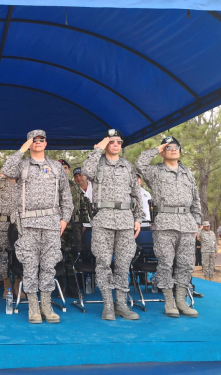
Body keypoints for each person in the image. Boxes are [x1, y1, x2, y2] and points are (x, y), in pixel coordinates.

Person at [2, 130, 73, 324]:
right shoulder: (22, 166)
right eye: (34, 140)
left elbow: (66, 197)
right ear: (29, 143)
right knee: (30, 266)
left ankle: (47, 305)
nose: (38, 142)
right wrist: (22, 149)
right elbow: (7, 170)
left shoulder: (56, 168)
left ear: (46, 143)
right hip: (28, 225)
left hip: (51, 224)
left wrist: (65, 219)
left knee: (49, 266)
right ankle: (33, 306)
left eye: (41, 139)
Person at [136, 136, 201, 318]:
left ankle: (181, 300)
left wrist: (196, 221)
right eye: (169, 147)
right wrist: (157, 148)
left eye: (176, 147)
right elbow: (140, 163)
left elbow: (195, 199)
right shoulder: (156, 171)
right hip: (165, 222)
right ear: (163, 151)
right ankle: (169, 301)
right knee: (165, 263)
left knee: (186, 264)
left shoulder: (187, 172)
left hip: (187, 222)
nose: (173, 149)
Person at [82, 129, 143, 321]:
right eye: (111, 142)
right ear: (106, 144)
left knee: (123, 264)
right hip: (103, 219)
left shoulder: (127, 166)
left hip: (125, 220)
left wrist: (138, 218)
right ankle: (108, 305)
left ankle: (121, 305)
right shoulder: (97, 163)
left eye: (119, 142)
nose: (116, 145)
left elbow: (136, 194)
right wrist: (97, 149)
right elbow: (85, 171)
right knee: (103, 263)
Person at [57, 160, 86, 299]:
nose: (63, 170)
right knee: (59, 257)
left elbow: (82, 206)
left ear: (68, 170)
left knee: (73, 257)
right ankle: (60, 288)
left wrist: (84, 224)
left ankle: (73, 288)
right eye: (60, 168)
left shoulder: (75, 186)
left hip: (74, 227)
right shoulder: (52, 186)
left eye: (65, 168)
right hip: (59, 228)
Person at [0, 173, 24, 299]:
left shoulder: (23, 181)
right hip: (3, 223)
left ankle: (18, 284)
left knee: (21, 255)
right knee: (4, 255)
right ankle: (7, 285)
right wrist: (0, 176)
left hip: (20, 224)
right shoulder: (0, 182)